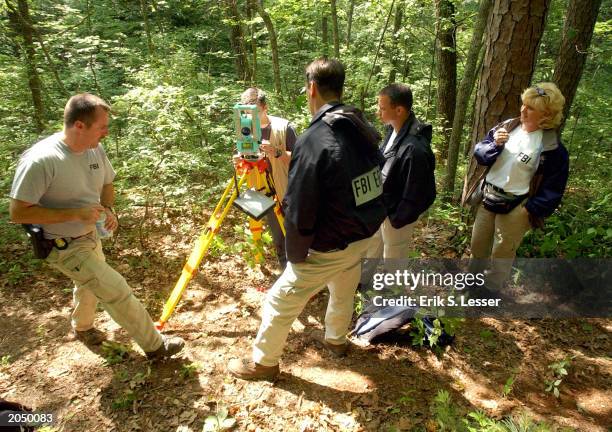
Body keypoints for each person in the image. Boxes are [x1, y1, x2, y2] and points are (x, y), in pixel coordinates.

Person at [228, 58, 387, 380]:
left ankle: (264, 363)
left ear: (312, 88)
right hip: (363, 233)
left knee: (279, 300)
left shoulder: (315, 139)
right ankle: (336, 341)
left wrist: (297, 253)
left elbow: (300, 205)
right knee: (342, 289)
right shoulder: (358, 125)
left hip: (331, 241)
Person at [9, 93, 184, 359]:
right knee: (116, 290)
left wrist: (108, 208)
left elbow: (107, 183)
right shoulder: (42, 160)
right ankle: (156, 346)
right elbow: (19, 212)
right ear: (79, 125)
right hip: (62, 245)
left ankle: (83, 326)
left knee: (89, 284)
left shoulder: (94, 148)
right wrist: (76, 214)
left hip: (90, 236)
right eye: (102, 126)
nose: (106, 132)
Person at [468, 82, 569, 291]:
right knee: (477, 246)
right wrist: (494, 144)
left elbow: (554, 187)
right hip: (488, 198)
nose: (523, 109)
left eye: (531, 107)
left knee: (502, 253)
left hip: (517, 206)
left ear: (546, 114)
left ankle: (490, 291)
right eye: (523, 104)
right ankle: (471, 283)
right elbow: (480, 154)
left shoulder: (552, 148)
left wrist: (530, 210)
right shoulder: (507, 127)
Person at [365, 83, 436, 262]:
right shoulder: (391, 130)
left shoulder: (415, 147)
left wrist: (397, 218)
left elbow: (417, 192)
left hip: (396, 213)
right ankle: (364, 281)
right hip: (382, 205)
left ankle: (393, 289)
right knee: (373, 244)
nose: (378, 113)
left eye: (382, 108)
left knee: (394, 253)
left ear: (399, 110)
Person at [233, 88, 297, 270]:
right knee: (279, 239)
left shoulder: (284, 127)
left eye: (255, 111)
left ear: (265, 107)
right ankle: (286, 276)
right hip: (260, 190)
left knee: (291, 237)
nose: (250, 116)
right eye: (246, 112)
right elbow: (244, 163)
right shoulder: (245, 130)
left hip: (285, 191)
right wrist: (238, 161)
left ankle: (301, 279)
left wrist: (277, 152)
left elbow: (301, 159)